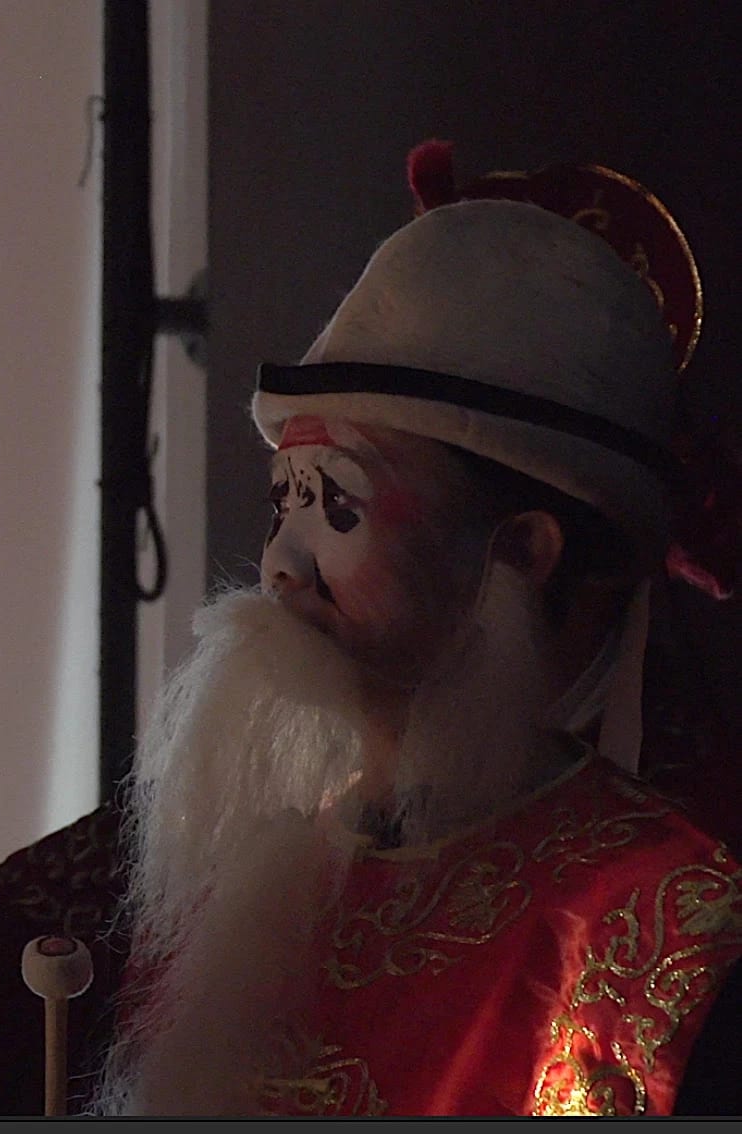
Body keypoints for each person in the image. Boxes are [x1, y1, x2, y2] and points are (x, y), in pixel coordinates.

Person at [90, 143, 742, 1116]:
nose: (280, 565)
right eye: (284, 504)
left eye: (337, 508)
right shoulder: (270, 873)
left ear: (520, 550)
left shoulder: (659, 911)